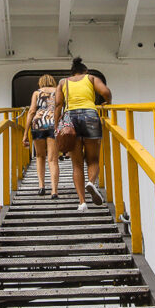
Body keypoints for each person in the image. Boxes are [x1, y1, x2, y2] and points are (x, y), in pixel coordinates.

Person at [54, 57, 112, 211]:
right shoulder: (91, 78)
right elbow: (105, 92)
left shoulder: (62, 82)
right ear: (85, 71)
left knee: (76, 164)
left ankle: (82, 202)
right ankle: (91, 183)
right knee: (93, 159)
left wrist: (56, 126)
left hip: (70, 119)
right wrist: (108, 102)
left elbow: (58, 104)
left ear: (72, 73)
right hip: (90, 116)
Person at [23, 74, 60, 199]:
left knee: (40, 156)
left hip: (38, 124)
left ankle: (41, 186)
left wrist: (25, 134)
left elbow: (32, 111)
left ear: (40, 83)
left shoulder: (37, 93)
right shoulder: (58, 91)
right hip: (53, 124)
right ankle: (54, 191)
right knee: (53, 159)